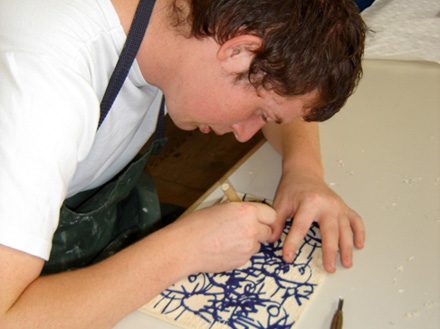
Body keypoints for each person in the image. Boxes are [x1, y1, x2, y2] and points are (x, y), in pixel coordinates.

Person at [0, 0, 366, 327]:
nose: (245, 133)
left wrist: (304, 170)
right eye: (259, 112)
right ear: (238, 51)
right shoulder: (42, 90)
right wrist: (182, 250)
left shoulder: (182, 22)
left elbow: (284, 82)